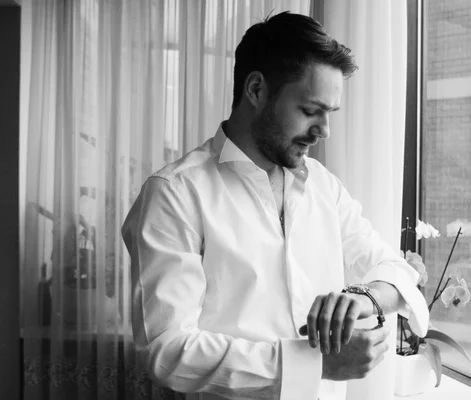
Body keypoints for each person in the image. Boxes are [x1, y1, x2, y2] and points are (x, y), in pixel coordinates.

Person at [121, 11, 429, 400]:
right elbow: (167, 350)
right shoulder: (174, 194)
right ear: (255, 90)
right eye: (309, 110)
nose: (324, 131)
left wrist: (361, 298)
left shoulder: (323, 186)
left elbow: (396, 272)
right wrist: (314, 364)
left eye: (329, 114)